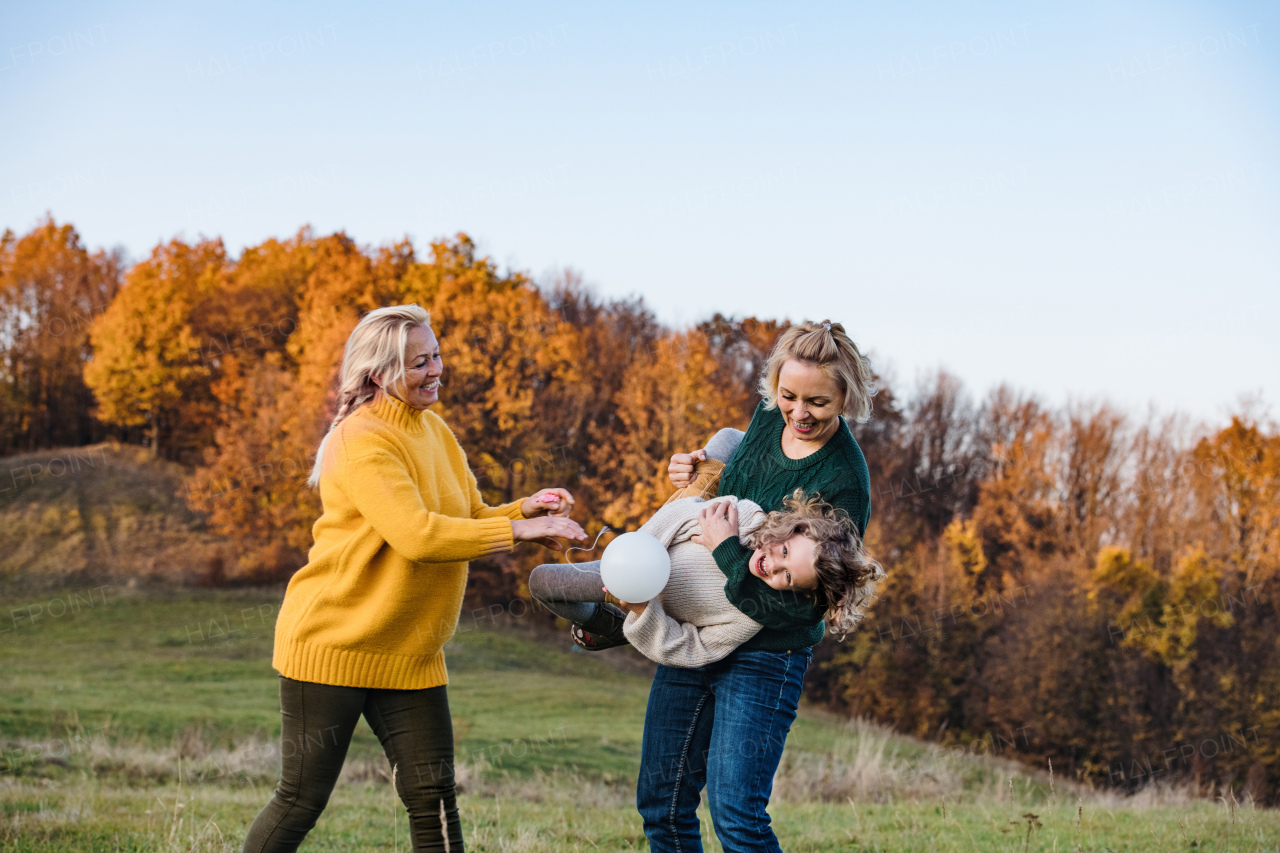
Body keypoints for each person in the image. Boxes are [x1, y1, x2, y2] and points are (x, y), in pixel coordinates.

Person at [242, 304, 586, 853]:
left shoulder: (435, 430)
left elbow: (468, 515)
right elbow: (419, 536)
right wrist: (521, 533)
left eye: (437, 355)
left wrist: (525, 511)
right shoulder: (361, 440)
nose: (435, 370)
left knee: (435, 799)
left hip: (411, 650)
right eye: (419, 362)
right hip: (334, 643)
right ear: (379, 374)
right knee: (301, 799)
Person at [641, 319, 876, 852]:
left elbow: (805, 607)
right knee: (663, 804)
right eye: (788, 395)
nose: (798, 412)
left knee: (737, 817)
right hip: (696, 631)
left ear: (846, 397)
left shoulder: (844, 483)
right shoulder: (768, 418)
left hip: (766, 655)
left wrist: (726, 549)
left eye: (817, 401)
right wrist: (697, 469)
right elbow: (734, 489)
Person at [528, 490, 882, 668]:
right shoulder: (743, 517)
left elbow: (691, 649)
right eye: (785, 553)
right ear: (791, 529)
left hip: (644, 608)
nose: (773, 566)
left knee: (547, 584)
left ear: (796, 593)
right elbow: (682, 512)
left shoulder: (748, 617)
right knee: (542, 582)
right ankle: (605, 622)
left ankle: (622, 625)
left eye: (787, 577)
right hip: (632, 565)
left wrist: (642, 612)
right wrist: (641, 552)